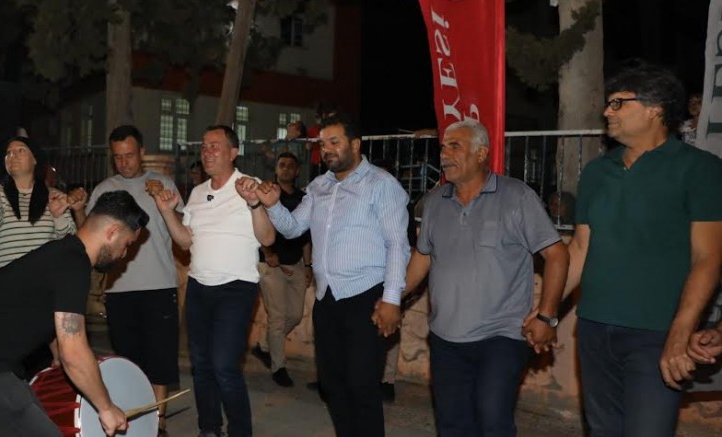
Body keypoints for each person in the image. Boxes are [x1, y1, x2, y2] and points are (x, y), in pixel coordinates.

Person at [565, 64, 722, 436]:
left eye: (618, 103)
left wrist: (680, 332)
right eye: (608, 103)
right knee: (603, 430)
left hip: (656, 333)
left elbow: (708, 257)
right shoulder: (596, 172)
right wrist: (544, 309)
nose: (607, 111)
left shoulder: (700, 169)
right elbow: (580, 247)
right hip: (593, 328)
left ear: (655, 109)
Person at [0, 191, 145, 437]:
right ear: (112, 232)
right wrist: (106, 407)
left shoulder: (64, 253)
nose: (124, 254)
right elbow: (75, 351)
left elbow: (41, 306)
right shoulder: (74, 264)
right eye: (127, 244)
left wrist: (56, 350)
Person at [245, 114, 411, 437]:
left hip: (367, 299)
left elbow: (397, 245)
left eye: (334, 142)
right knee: (333, 385)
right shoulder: (319, 186)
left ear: (355, 145)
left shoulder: (381, 184)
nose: (327, 149)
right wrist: (273, 205)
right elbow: (293, 228)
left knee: (362, 387)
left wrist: (392, 300)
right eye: (323, 144)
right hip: (327, 299)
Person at [400, 120, 569, 436]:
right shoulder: (434, 203)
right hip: (445, 336)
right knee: (452, 424)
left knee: (492, 419)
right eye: (443, 147)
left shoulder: (516, 196)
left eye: (455, 146)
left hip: (501, 335)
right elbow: (423, 257)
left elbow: (557, 254)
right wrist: (392, 298)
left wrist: (547, 316)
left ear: (481, 154)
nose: (444, 154)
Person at [151, 125, 275, 437]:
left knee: (224, 366)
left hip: (236, 287)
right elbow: (185, 241)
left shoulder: (250, 185)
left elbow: (268, 238)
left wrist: (254, 203)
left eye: (215, 146)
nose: (207, 152)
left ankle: (240, 432)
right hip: (198, 288)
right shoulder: (197, 193)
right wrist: (166, 212)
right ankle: (209, 428)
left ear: (233, 152)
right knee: (201, 365)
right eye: (204, 146)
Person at [81, 125, 183, 434]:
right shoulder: (104, 190)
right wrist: (76, 210)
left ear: (141, 152)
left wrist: (164, 202)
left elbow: (182, 232)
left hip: (159, 286)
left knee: (160, 359)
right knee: (128, 361)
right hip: (119, 288)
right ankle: (136, 422)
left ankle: (159, 423)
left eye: (129, 155)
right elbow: (89, 234)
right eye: (118, 157)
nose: (124, 162)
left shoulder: (164, 184)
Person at [0, 136, 85, 277]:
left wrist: (58, 217)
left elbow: (69, 242)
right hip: (4, 281)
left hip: (43, 280)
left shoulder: (55, 196)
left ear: (35, 159)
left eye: (21, 150)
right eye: (9, 153)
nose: (13, 155)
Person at [249, 152, 311, 388]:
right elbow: (256, 225)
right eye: (281, 165)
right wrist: (268, 253)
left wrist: (308, 265)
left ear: (297, 171)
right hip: (271, 264)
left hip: (295, 263)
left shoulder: (303, 199)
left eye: (290, 166)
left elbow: (306, 237)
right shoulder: (266, 194)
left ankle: (264, 347)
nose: (285, 169)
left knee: (294, 315)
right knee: (277, 318)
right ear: (275, 170)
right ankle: (278, 367)